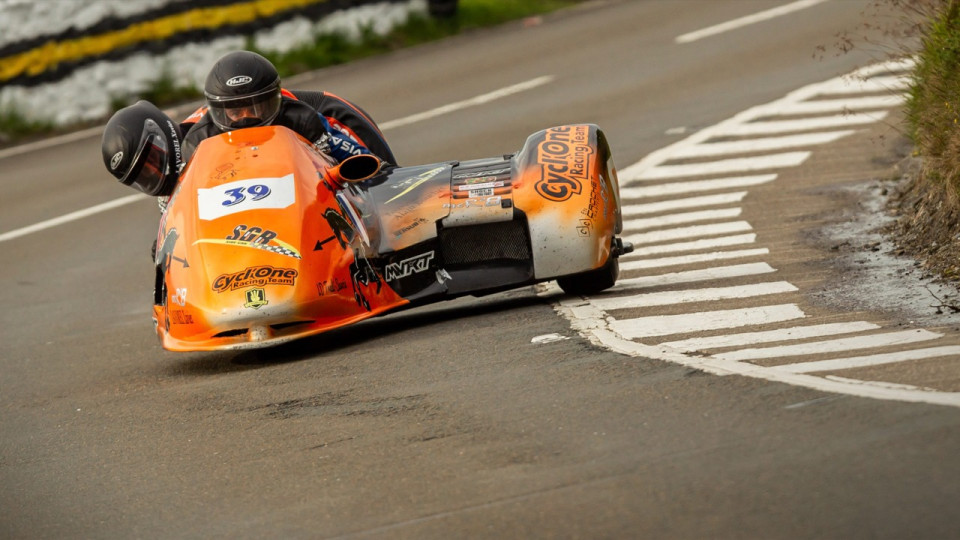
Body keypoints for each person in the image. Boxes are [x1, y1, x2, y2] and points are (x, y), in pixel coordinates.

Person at [180, 50, 387, 166]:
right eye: (235, 112)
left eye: (255, 108)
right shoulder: (198, 141)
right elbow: (175, 198)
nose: (246, 118)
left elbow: (362, 159)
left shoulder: (302, 118)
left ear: (273, 101)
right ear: (218, 111)